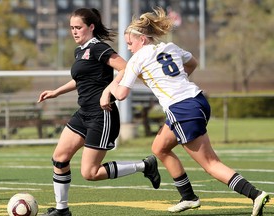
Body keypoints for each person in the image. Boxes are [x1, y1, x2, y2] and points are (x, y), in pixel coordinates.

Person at [102, 7, 270, 216]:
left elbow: (121, 95)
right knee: (160, 147)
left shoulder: (138, 58)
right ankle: (188, 197)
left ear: (143, 39)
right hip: (197, 100)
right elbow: (193, 63)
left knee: (211, 163)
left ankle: (255, 194)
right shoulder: (170, 46)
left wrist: (110, 85)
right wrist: (178, 81)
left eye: (130, 43)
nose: (128, 48)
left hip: (182, 109)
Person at [37, 8, 161, 216]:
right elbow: (81, 80)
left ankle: (144, 166)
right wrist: (56, 92)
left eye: (78, 27)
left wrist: (108, 90)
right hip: (84, 113)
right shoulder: (80, 51)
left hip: (102, 115)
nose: (74, 32)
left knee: (90, 173)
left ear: (91, 27)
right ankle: (62, 210)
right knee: (59, 158)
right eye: (71, 28)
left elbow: (126, 68)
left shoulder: (98, 48)